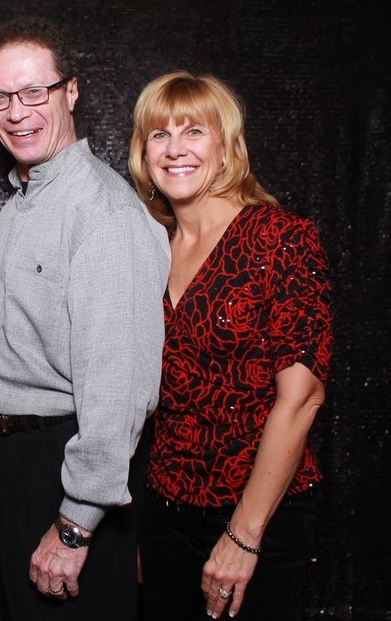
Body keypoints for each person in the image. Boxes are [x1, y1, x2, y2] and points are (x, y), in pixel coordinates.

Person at [0, 17, 170, 620]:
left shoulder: (103, 211)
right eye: (0, 97)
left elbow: (119, 388)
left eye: (34, 91)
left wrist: (75, 525)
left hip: (70, 470)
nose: (17, 112)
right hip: (19, 465)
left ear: (71, 91)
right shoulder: (20, 204)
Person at [127, 71, 334, 620]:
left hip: (259, 515)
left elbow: (302, 399)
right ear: (143, 153)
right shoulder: (148, 248)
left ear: (226, 148)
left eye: (193, 131)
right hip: (163, 512)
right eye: (159, 134)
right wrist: (137, 526)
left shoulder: (280, 239)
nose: (175, 149)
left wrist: (244, 536)